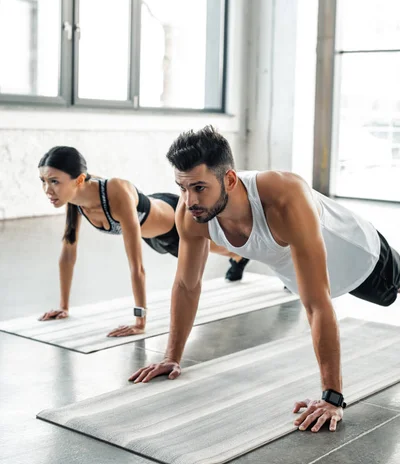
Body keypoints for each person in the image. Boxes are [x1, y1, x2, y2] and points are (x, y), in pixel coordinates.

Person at [129, 126, 400, 434]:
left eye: (200, 188)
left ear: (229, 179)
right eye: (182, 188)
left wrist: (332, 398)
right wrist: (171, 357)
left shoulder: (285, 197)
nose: (190, 200)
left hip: (362, 259)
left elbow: (316, 305)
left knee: (391, 293)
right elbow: (186, 286)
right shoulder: (192, 215)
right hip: (304, 274)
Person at [38, 146, 249, 337]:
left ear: (79, 179)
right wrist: (64, 306)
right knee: (221, 249)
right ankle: (238, 257)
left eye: (54, 181)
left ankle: (249, 255)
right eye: (44, 181)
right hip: (152, 235)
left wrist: (140, 321)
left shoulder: (115, 192)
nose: (48, 190)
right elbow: (68, 255)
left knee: (226, 247)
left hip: (174, 221)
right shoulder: (74, 198)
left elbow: (136, 267)